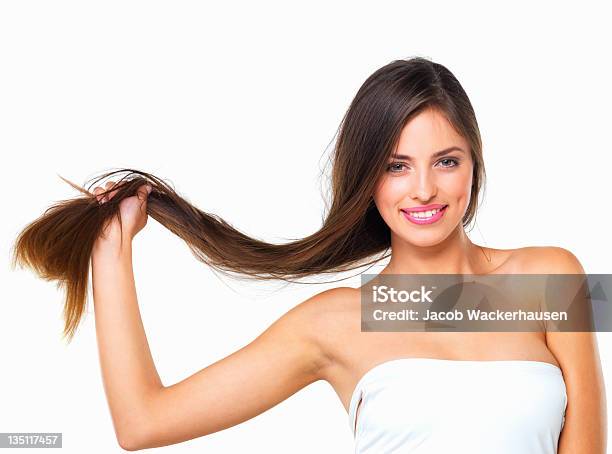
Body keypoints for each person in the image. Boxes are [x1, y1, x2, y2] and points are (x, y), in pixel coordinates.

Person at [20, 57, 608, 453]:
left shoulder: (549, 276)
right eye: (395, 166)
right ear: (365, 179)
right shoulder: (336, 322)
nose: (424, 189)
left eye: (446, 161)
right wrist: (110, 252)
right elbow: (142, 423)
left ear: (474, 166)